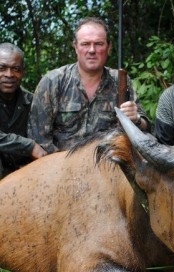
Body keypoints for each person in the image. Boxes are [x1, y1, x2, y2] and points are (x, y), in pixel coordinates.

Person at [28, 17, 151, 154]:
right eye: (85, 44)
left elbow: (146, 129)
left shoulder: (121, 81)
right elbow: (39, 141)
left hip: (108, 166)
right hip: (60, 168)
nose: (92, 50)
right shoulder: (52, 82)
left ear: (109, 47)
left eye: (99, 44)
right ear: (75, 47)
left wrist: (137, 119)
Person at [0, 43, 47, 179]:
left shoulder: (32, 101)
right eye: (2, 68)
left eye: (16, 69)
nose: (9, 75)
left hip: (23, 176)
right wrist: (29, 146)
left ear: (23, 72)